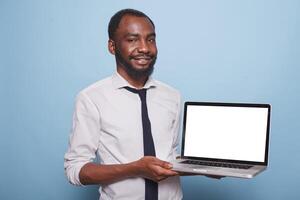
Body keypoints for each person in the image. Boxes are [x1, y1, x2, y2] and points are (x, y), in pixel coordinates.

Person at [64, 9, 183, 199]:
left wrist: (206, 167)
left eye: (150, 39)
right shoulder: (91, 98)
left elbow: (170, 155)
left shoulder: (172, 96)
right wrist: (134, 169)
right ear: (112, 46)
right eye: (132, 39)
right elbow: (75, 169)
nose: (144, 48)